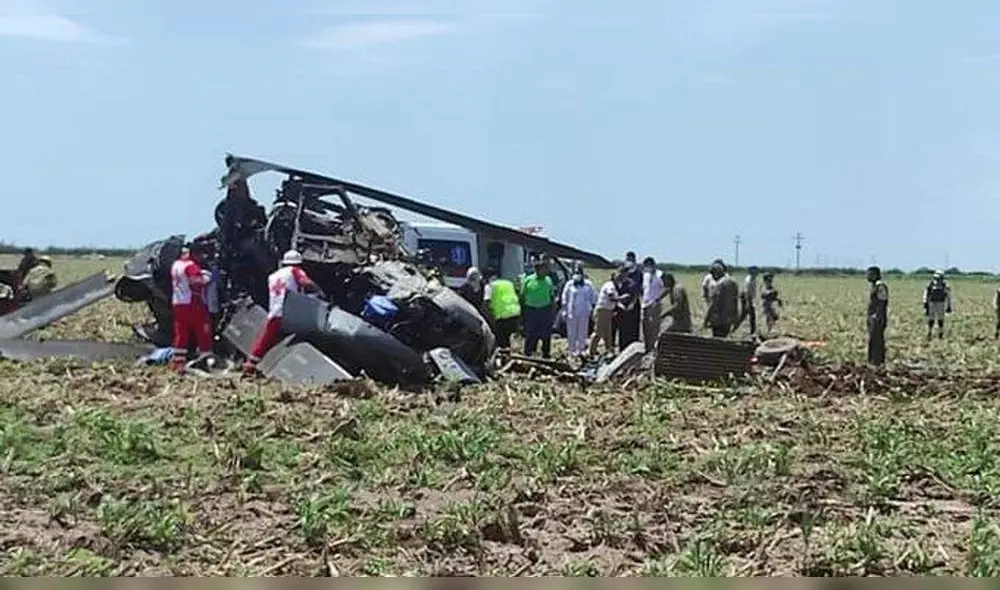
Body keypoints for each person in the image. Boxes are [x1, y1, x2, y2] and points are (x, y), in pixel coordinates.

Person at [243, 250, 321, 375]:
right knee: (309, 334)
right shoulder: (294, 270)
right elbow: (305, 282)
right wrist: (318, 291)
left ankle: (249, 367)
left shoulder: (273, 276)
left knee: (264, 342)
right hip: (291, 313)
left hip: (275, 313)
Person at [170, 244, 214, 374]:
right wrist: (206, 277)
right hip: (192, 303)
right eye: (201, 255)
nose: (203, 257)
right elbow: (196, 282)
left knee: (181, 333)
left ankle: (178, 363)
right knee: (203, 330)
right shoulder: (191, 266)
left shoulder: (176, 264)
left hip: (178, 303)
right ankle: (206, 359)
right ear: (194, 254)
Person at [520, 259, 556, 358]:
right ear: (537, 270)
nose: (546, 271)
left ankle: (546, 353)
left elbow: (552, 296)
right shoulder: (528, 280)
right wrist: (523, 312)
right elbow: (522, 295)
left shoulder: (548, 280)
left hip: (545, 310)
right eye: (544, 269)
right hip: (531, 310)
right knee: (531, 332)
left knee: (546, 333)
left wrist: (552, 311)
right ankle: (529, 352)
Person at [561, 269, 597, 357]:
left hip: (584, 311)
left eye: (579, 273)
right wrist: (564, 309)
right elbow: (564, 296)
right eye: (576, 273)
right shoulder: (569, 284)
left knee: (583, 331)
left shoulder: (588, 284)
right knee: (571, 332)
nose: (577, 275)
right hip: (571, 312)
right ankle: (571, 351)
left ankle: (581, 350)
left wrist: (592, 308)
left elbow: (594, 296)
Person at [483, 269, 521, 349]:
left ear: (486, 278)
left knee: (501, 344)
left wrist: (490, 320)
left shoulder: (490, 286)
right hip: (515, 314)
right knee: (510, 341)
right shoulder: (508, 283)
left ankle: (505, 359)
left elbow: (487, 303)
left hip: (502, 317)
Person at [590, 267, 624, 356]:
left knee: (608, 333)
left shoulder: (615, 286)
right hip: (603, 311)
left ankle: (609, 351)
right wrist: (622, 298)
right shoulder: (610, 285)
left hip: (608, 311)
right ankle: (591, 353)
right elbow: (611, 297)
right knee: (598, 332)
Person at [704, 260, 740, 338]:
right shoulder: (733, 283)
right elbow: (735, 301)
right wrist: (736, 318)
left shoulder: (719, 285)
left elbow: (713, 304)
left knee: (717, 340)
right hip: (729, 318)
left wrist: (706, 319)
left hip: (718, 319)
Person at [616, 251, 643, 350]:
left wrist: (633, 303)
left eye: (631, 259)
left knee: (633, 327)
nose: (629, 261)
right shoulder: (621, 271)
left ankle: (632, 348)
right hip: (622, 304)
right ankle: (622, 348)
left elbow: (638, 290)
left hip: (634, 303)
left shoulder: (638, 273)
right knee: (623, 328)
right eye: (628, 259)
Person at [640, 256, 665, 352]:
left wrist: (658, 299)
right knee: (645, 328)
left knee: (654, 327)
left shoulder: (660, 275)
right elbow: (644, 289)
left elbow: (666, 288)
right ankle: (647, 347)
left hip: (655, 305)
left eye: (649, 266)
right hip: (645, 305)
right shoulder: (645, 275)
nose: (648, 268)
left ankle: (654, 348)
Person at [866, 265, 889, 366]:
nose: (868, 276)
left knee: (877, 340)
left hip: (878, 318)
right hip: (872, 316)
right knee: (873, 339)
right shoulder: (874, 286)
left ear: (875, 275)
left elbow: (882, 302)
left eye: (870, 274)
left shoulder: (880, 286)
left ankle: (877, 361)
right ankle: (872, 360)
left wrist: (876, 315)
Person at [922, 270, 951, 339]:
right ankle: (930, 332)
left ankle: (940, 333)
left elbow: (948, 295)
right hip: (932, 303)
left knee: (940, 319)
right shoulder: (931, 284)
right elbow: (926, 294)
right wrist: (925, 303)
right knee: (931, 319)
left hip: (941, 303)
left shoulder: (945, 285)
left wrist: (949, 306)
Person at [739, 266, 760, 335]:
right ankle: (753, 332)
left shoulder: (752, 278)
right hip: (746, 298)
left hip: (748, 298)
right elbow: (746, 292)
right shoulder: (749, 280)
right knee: (751, 316)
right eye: (755, 271)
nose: (757, 273)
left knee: (744, 315)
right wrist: (748, 303)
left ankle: (734, 329)